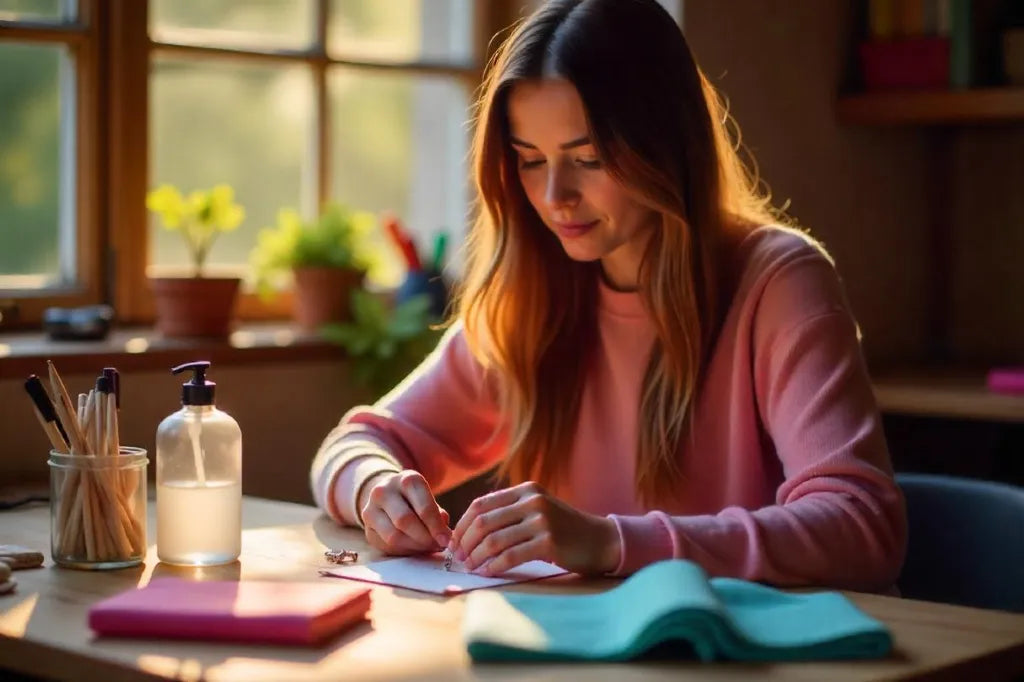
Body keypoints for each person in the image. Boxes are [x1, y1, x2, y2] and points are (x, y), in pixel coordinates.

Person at [310, 0, 906, 591]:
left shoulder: (780, 283)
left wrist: (610, 542)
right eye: (529, 161)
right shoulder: (532, 295)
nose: (554, 196)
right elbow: (356, 443)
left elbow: (862, 527)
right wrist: (375, 490)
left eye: (587, 159)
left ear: (664, 144)